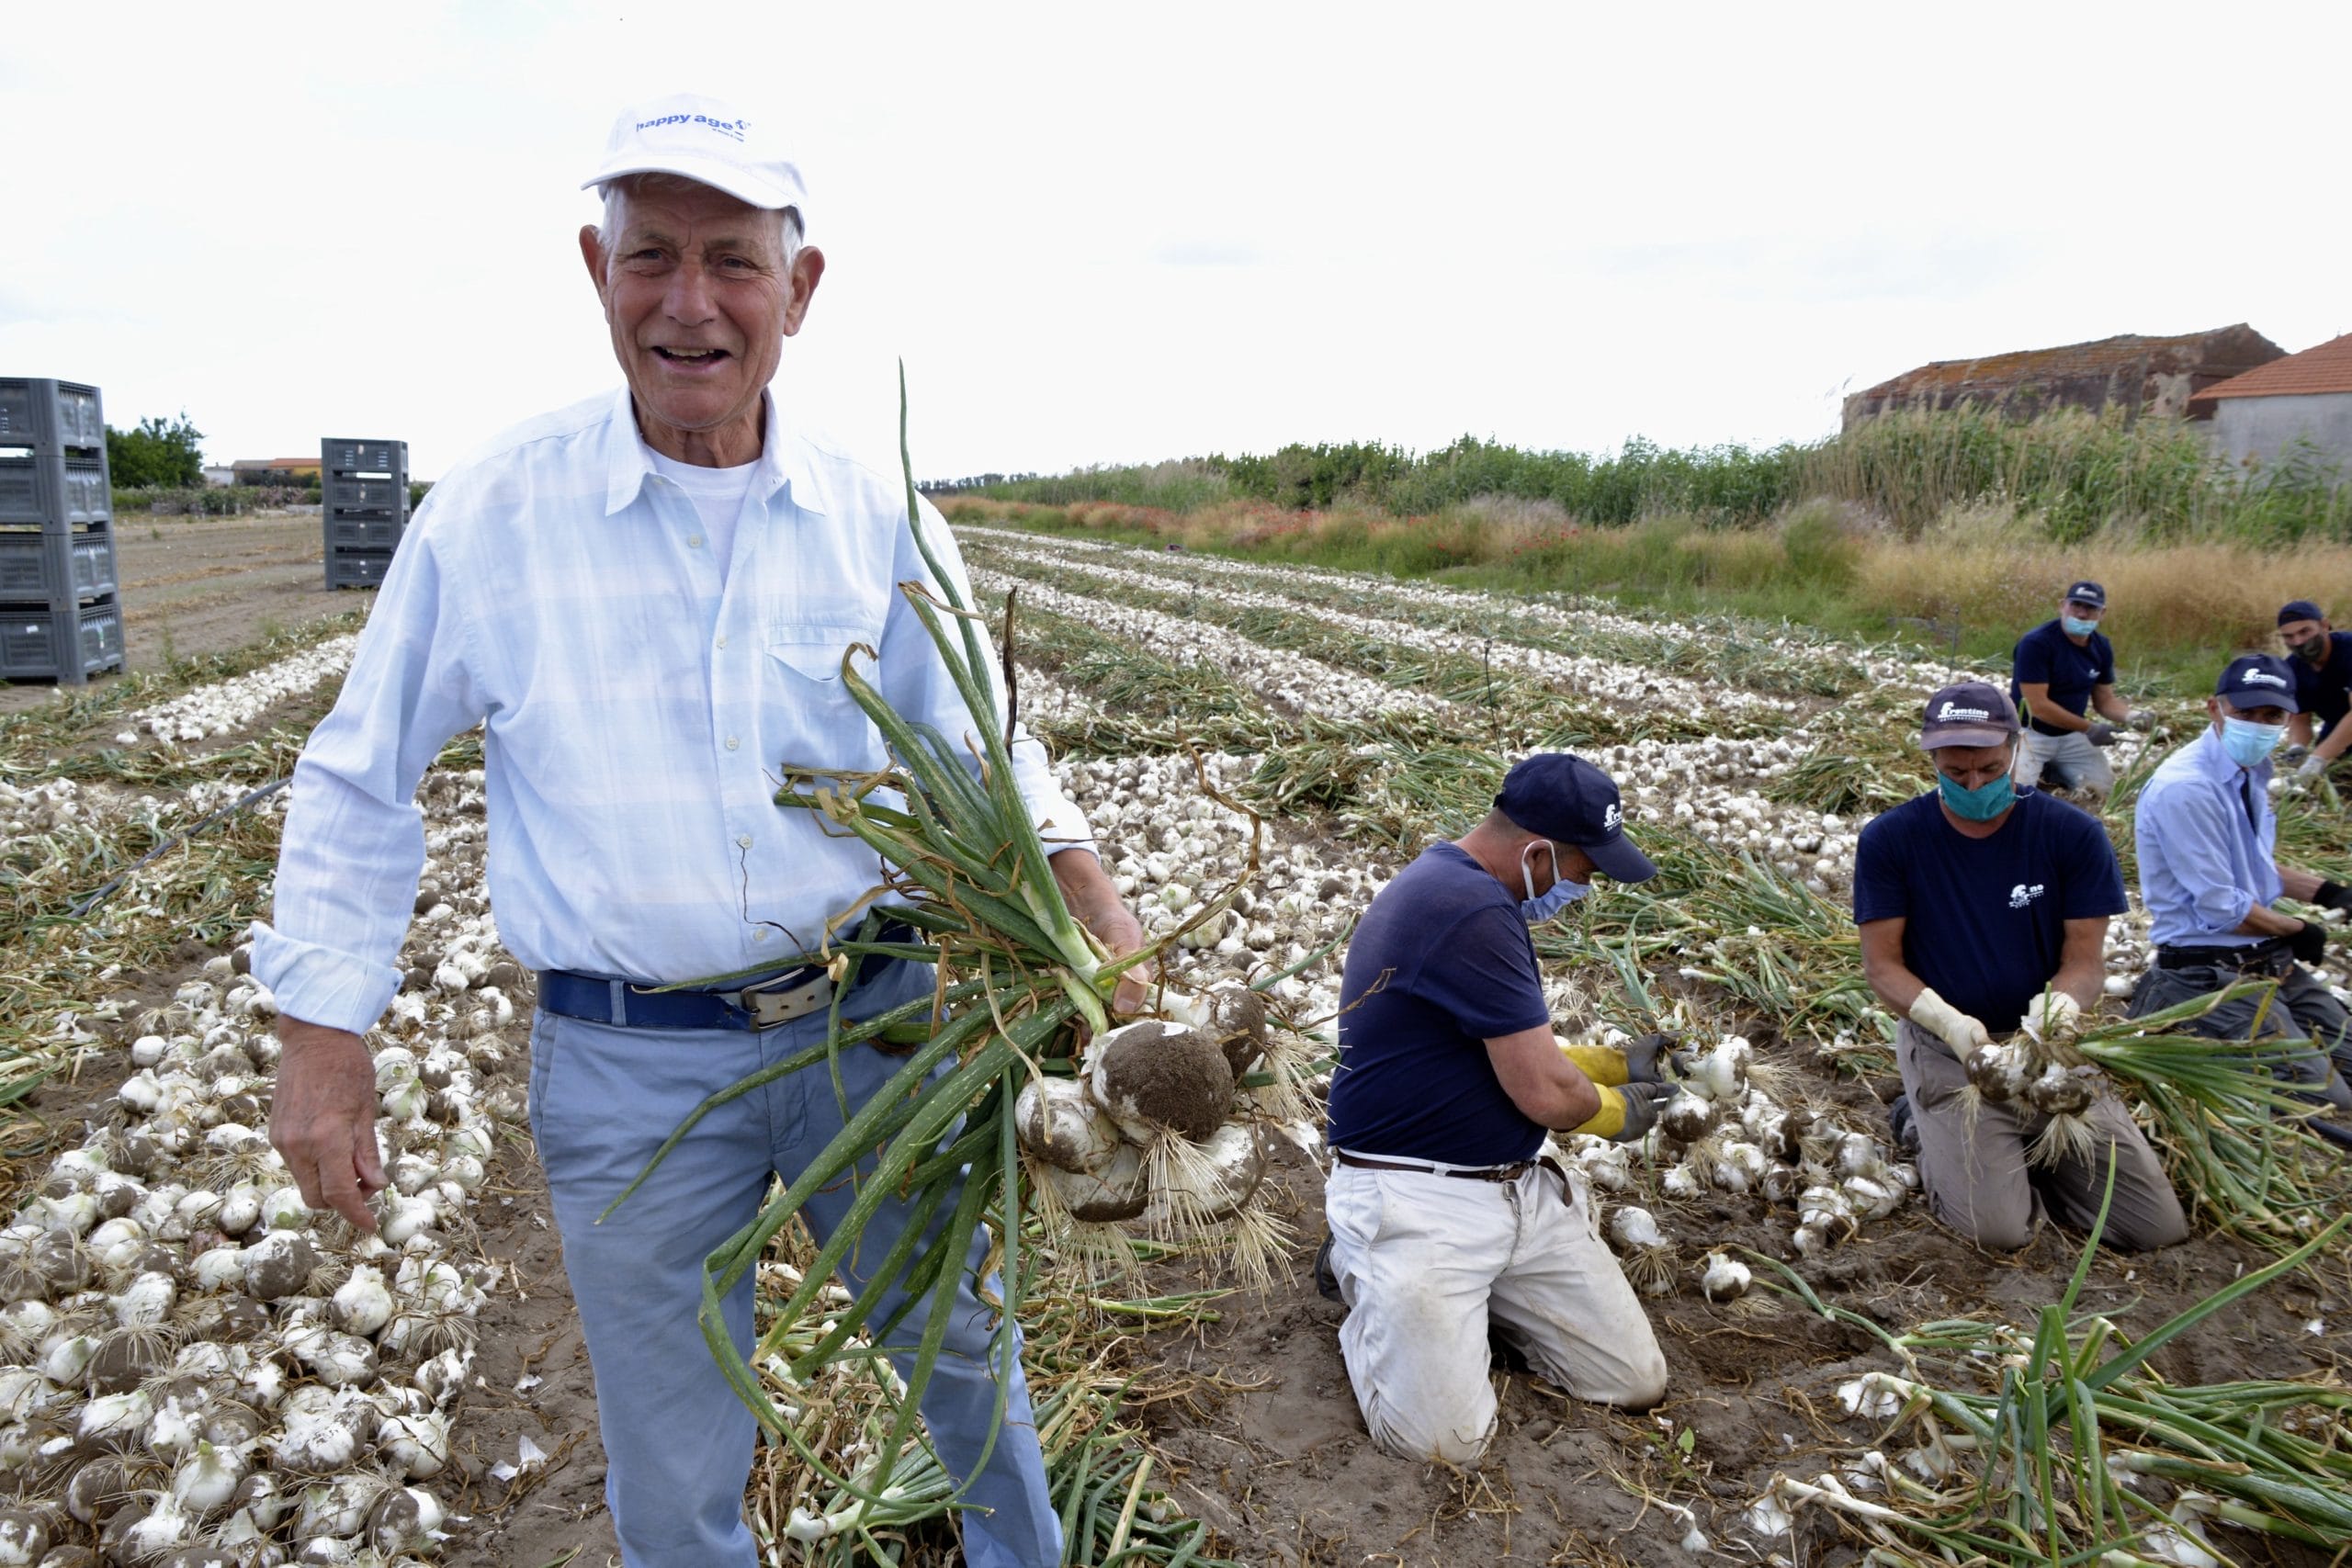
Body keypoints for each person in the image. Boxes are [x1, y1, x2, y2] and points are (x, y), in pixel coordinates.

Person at [254, 94, 1148, 1568]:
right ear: (593, 271)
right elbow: (359, 773)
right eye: (651, 255)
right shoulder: (494, 514)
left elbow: (989, 751)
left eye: (732, 259)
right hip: (626, 1063)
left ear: (798, 289)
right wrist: (322, 1032)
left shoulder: (877, 509)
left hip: (873, 1033)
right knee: (675, 1464)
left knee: (968, 1368)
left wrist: (1093, 913)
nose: (689, 303)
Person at [1321, 753, 1673, 1465]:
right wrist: (1614, 1111)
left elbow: (1503, 1047)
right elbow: (1543, 1093)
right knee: (1446, 1445)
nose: (1586, 883)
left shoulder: (1464, 889)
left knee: (1633, 1379)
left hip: (1514, 1190)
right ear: (1538, 851)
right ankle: (1365, 1279)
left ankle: (1463, 1313)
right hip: (1418, 1199)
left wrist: (1605, 1064)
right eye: (1585, 868)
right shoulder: (1469, 910)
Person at [1855, 682, 2187, 1252]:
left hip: (2046, 1047)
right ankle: (1921, 1122)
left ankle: (2018, 1150)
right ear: (1932, 757)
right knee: (1999, 1232)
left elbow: (2084, 964)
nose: (1975, 783)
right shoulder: (1892, 840)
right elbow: (1883, 967)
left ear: (2015, 748)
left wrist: (2054, 1014)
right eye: (1956, 772)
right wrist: (1952, 1026)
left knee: (2154, 1227)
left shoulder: (2070, 835)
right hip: (1949, 1053)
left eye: (1988, 767)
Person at [2128, 654, 2352, 1100]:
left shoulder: (2250, 771)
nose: (2258, 724)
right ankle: (2182, 1020)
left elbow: (2252, 866)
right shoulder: (2187, 787)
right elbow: (2222, 906)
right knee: (2325, 1100)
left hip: (2269, 960)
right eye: (2244, 713)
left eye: (2271, 715)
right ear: (2215, 708)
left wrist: (2329, 891)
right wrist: (2299, 928)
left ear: (2288, 717)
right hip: (2204, 971)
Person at [2007, 580, 2145, 802]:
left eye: (2090, 608)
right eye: (2076, 605)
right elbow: (2037, 706)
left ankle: (2053, 770)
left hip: (2071, 735)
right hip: (2030, 732)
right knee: (2016, 796)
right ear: (2062, 605)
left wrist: (2132, 716)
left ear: (2102, 613)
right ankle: (2044, 770)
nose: (2082, 614)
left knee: (2104, 793)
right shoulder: (2036, 643)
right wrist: (2090, 729)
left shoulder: (2101, 647)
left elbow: (2105, 701)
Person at [2278, 600, 2352, 778]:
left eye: (2305, 631)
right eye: (2289, 637)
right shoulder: (2292, 668)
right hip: (2337, 726)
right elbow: (2300, 718)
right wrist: (2297, 746)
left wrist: (2319, 757)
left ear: (2325, 626)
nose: (2298, 641)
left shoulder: (2349, 649)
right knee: (2332, 778)